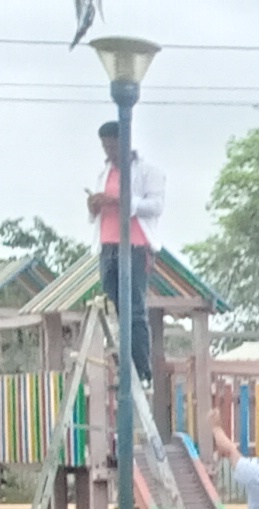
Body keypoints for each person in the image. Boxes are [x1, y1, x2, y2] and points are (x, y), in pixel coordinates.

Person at [86, 120, 164, 381]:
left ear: (124, 142)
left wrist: (120, 201)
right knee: (116, 305)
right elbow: (98, 212)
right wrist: (95, 205)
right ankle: (125, 361)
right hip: (107, 245)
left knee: (135, 308)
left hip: (134, 245)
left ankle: (141, 369)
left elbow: (156, 206)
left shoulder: (147, 171)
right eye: (105, 147)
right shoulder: (104, 173)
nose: (108, 151)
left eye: (112, 145)